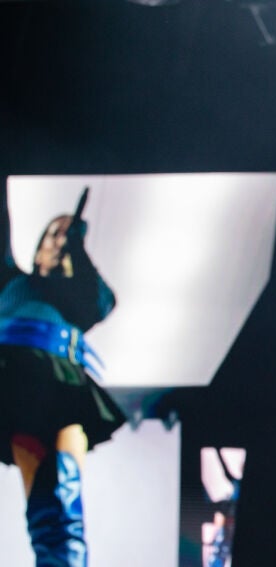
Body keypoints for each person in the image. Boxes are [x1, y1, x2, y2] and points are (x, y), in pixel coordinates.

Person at [0, 187, 125, 567]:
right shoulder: (11, 281)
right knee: (42, 500)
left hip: (62, 386)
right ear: (38, 246)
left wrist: (77, 246)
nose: (60, 241)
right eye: (54, 233)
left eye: (68, 236)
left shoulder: (80, 295)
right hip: (14, 381)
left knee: (62, 498)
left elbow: (101, 303)